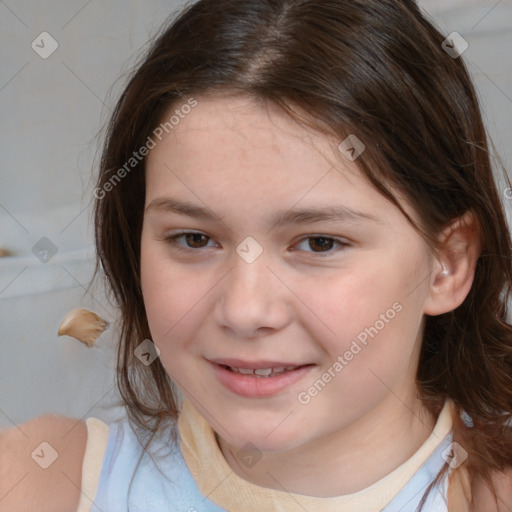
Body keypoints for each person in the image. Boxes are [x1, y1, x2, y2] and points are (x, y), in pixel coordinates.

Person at [2, 1, 512, 510]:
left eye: (319, 243)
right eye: (193, 239)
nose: (244, 311)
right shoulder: (41, 481)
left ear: (448, 264)